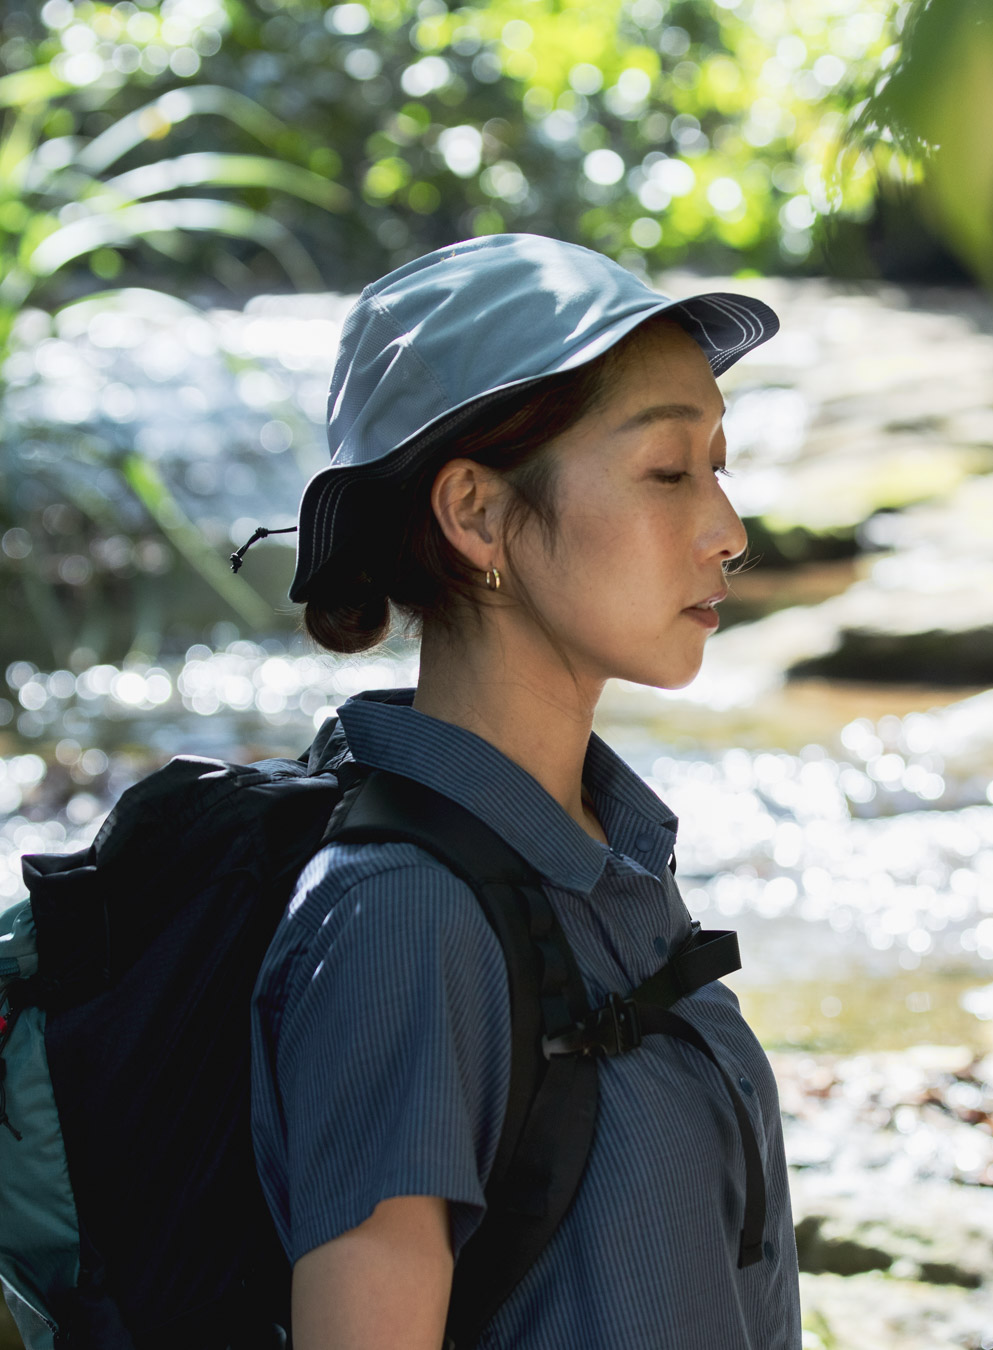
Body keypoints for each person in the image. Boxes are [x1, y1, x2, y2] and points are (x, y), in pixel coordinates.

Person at [250, 233, 801, 1350]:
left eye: (720, 466)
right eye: (669, 472)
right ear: (478, 514)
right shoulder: (402, 923)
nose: (729, 532)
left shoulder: (601, 856)